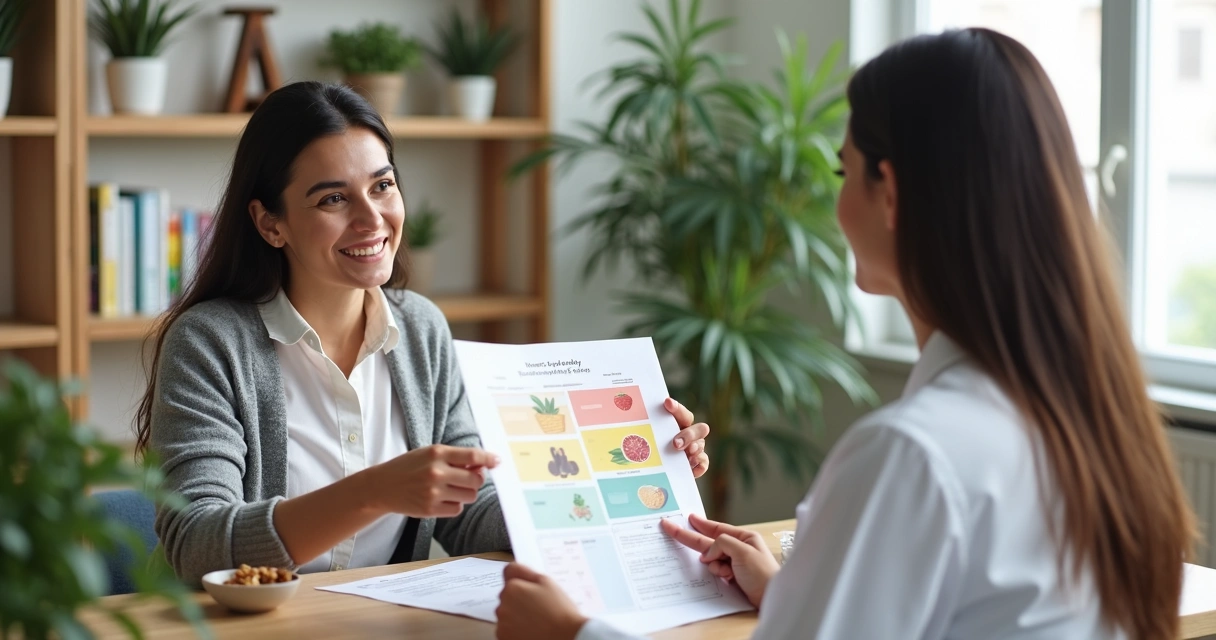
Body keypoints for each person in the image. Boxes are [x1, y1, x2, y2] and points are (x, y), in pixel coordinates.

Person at [494, 28, 1196, 640]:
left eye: (843, 170)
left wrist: (573, 635)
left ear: (888, 192)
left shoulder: (910, 453)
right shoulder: (1090, 418)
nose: (835, 197)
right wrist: (797, 595)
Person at [135, 81, 712, 586]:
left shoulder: (420, 329)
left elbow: (471, 510)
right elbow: (195, 543)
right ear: (270, 223)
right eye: (333, 198)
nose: (370, 218)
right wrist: (374, 491)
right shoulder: (209, 342)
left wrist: (629, 479)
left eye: (382, 186)